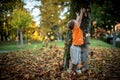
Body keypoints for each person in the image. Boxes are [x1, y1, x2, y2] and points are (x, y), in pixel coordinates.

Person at [67, 8, 85, 74]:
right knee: (74, 60)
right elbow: (79, 21)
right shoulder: (75, 29)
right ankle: (69, 69)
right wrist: (81, 12)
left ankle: (78, 70)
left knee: (79, 60)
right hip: (74, 47)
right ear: (74, 25)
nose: (76, 21)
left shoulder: (76, 29)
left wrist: (77, 16)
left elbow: (78, 21)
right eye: (75, 21)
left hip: (77, 47)